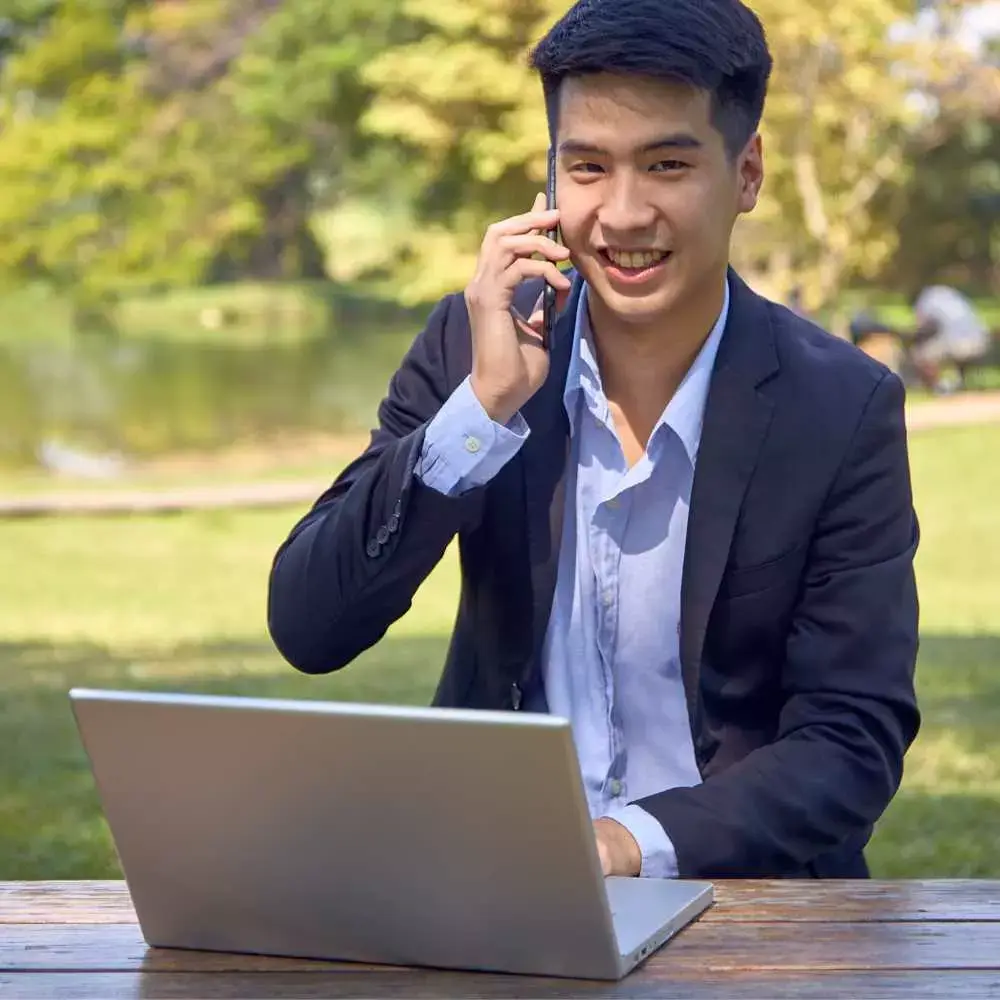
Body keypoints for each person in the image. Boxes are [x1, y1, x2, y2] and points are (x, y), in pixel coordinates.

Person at [268, 0, 920, 880]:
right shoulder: (475, 347)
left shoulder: (840, 405)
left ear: (748, 172)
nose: (620, 213)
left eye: (666, 164)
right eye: (587, 167)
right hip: (496, 886)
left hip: (742, 901)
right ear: (548, 184)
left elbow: (852, 740)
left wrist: (621, 844)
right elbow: (312, 627)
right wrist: (483, 410)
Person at [907, 284, 991, 393]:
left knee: (919, 354)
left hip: (957, 345)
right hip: (980, 342)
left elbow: (926, 328)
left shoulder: (926, 299)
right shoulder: (952, 295)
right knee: (947, 342)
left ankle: (937, 388)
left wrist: (911, 340)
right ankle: (959, 382)